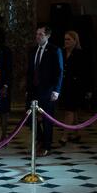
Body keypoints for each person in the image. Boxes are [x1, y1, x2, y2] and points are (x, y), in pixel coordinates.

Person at [26, 25, 63, 157]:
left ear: (47, 35)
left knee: (47, 120)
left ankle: (47, 146)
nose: (38, 36)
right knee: (29, 117)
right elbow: (30, 71)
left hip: (48, 90)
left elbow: (59, 71)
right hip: (33, 90)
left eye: (41, 34)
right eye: (37, 34)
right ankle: (40, 139)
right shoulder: (32, 50)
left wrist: (56, 90)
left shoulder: (54, 50)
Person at [59, 31, 90, 145]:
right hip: (65, 86)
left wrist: (88, 89)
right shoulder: (61, 52)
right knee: (73, 111)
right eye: (65, 39)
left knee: (69, 111)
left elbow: (86, 72)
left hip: (76, 87)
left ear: (75, 41)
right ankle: (77, 134)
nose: (66, 41)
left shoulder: (80, 54)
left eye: (69, 39)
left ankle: (64, 136)